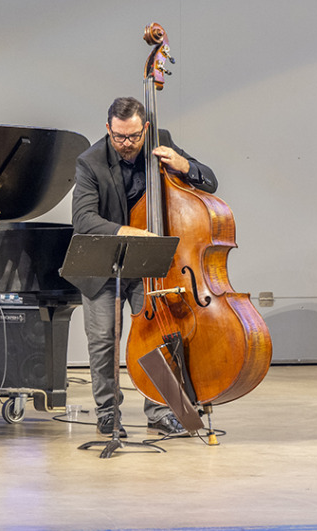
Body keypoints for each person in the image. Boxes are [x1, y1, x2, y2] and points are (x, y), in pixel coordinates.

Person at [70, 97, 218, 438]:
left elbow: (210, 182)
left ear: (145, 128)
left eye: (134, 136)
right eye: (119, 136)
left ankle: (161, 411)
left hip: (148, 266)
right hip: (103, 264)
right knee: (104, 340)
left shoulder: (160, 141)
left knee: (156, 338)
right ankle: (108, 413)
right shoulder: (90, 161)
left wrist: (184, 165)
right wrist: (134, 233)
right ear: (108, 129)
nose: (127, 144)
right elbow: (84, 220)